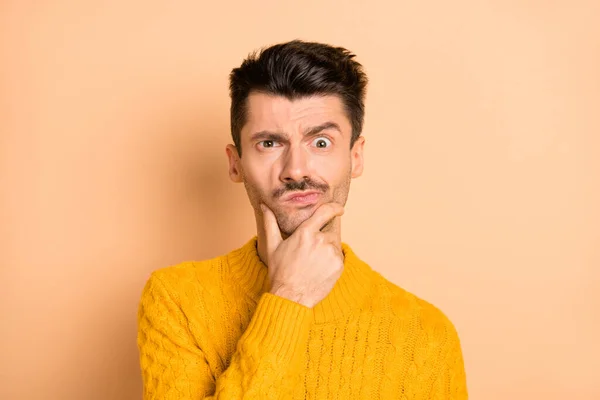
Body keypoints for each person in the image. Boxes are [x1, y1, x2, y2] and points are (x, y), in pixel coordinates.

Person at [137, 40, 468, 399]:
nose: (296, 170)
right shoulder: (177, 301)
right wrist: (288, 298)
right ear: (235, 163)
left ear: (355, 158)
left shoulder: (425, 334)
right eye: (269, 143)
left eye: (321, 143)